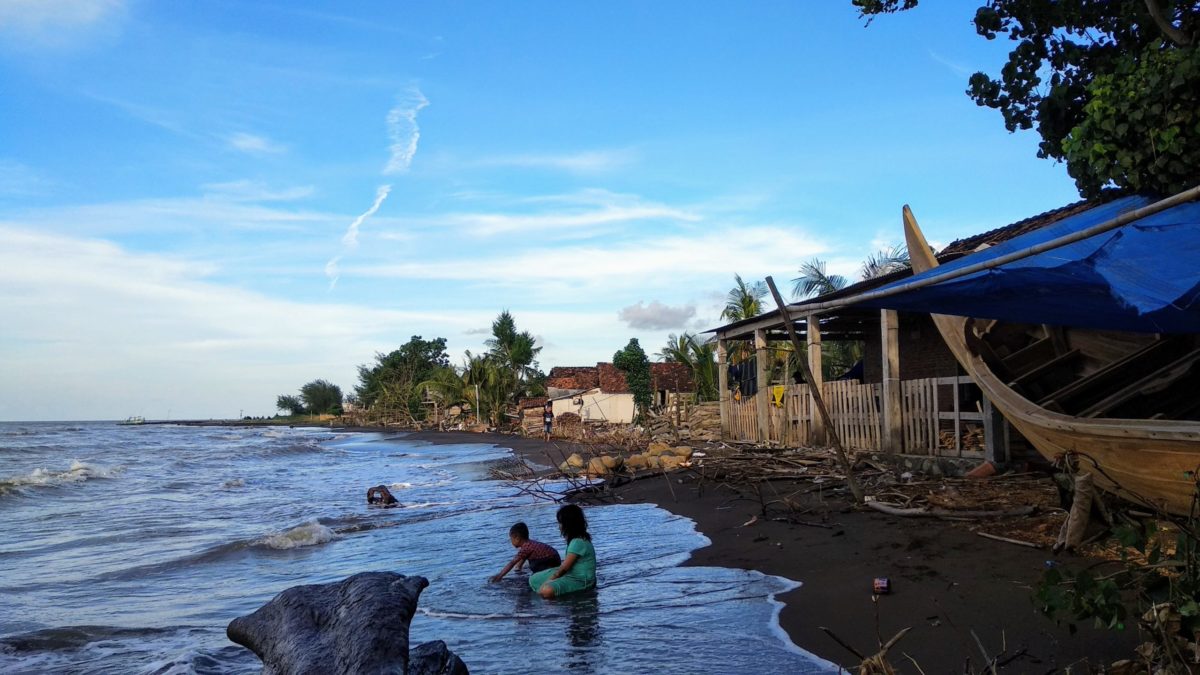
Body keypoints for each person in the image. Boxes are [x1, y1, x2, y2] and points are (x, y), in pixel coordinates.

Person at [530, 504, 596, 599]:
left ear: (568, 524)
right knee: (534, 579)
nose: (559, 526)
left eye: (560, 523)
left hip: (581, 580)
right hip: (571, 573)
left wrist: (548, 582)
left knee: (546, 590)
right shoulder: (576, 539)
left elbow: (564, 568)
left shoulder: (578, 542)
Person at [489, 522, 562, 583]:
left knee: (532, 567)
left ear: (517, 538)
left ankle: (541, 575)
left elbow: (512, 563)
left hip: (549, 561)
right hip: (555, 559)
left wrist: (499, 576)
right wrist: (518, 569)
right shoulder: (530, 544)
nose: (510, 541)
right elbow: (520, 563)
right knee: (531, 564)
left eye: (511, 539)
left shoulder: (526, 548)